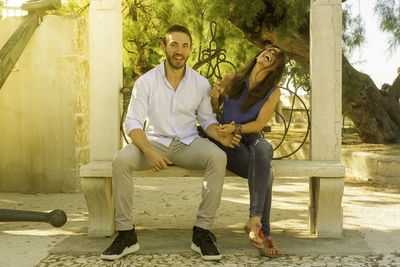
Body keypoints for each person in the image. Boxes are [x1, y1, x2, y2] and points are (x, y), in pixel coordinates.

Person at [100, 24, 241, 261]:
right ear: (163, 47)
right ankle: (126, 235)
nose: (179, 50)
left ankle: (202, 232)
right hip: (154, 142)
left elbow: (206, 120)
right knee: (121, 160)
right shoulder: (146, 82)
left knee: (218, 157)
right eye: (174, 44)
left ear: (191, 50)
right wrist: (150, 152)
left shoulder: (200, 83)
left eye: (185, 46)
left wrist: (220, 135)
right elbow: (132, 123)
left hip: (187, 143)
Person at [210, 44, 286, 258]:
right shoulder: (232, 78)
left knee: (265, 147)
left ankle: (254, 220)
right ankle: (264, 232)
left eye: (276, 54)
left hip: (249, 137)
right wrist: (215, 97)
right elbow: (211, 110)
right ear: (260, 54)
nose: (270, 51)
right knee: (267, 173)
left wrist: (238, 128)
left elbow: (260, 123)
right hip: (227, 141)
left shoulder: (273, 91)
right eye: (269, 48)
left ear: (276, 66)